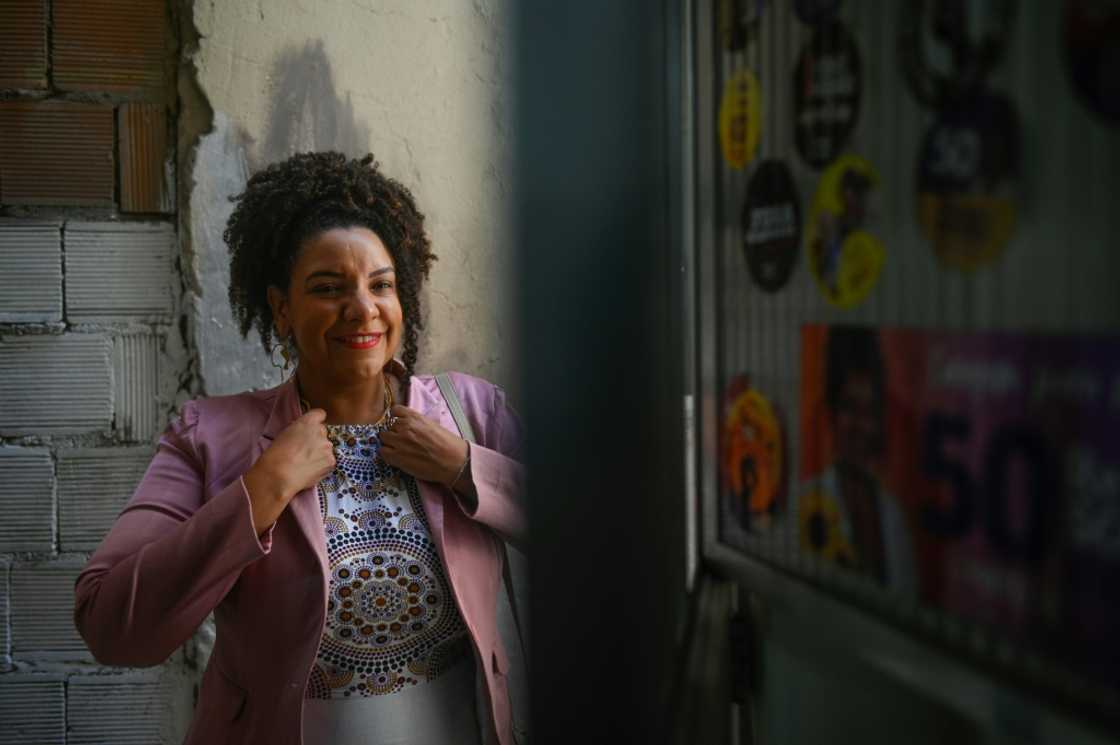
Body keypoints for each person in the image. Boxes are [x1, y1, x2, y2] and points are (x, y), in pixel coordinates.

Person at [73, 152, 526, 745]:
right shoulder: (211, 437)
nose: (362, 308)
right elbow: (111, 625)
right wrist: (262, 490)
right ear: (282, 308)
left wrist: (466, 468)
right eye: (327, 287)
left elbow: (597, 534)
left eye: (381, 285)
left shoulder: (472, 413)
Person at [797, 326, 917, 597]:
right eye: (850, 407)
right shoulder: (807, 502)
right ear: (832, 412)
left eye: (870, 411)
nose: (861, 426)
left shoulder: (893, 515)